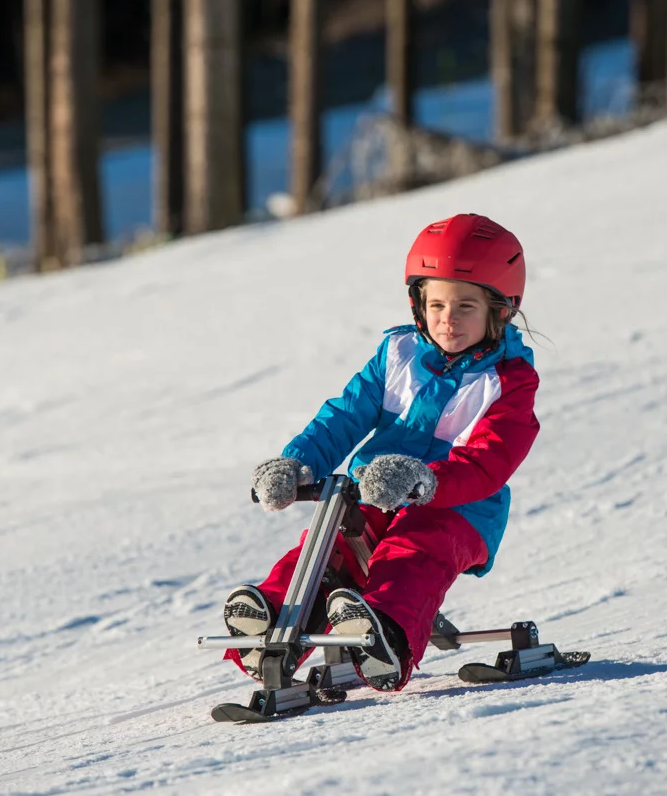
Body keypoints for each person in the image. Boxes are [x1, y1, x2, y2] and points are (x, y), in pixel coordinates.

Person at [223, 213, 540, 692]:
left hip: (460, 509)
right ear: (418, 303)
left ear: (502, 311)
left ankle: (384, 636)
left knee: (413, 552)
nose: (447, 320)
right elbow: (345, 415)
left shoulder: (509, 382)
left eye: (465, 306)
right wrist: (298, 462)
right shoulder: (398, 355)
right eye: (435, 305)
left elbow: (489, 462)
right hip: (375, 490)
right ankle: (269, 624)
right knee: (325, 548)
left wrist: (425, 481)